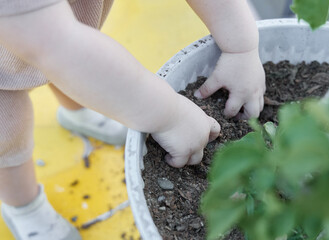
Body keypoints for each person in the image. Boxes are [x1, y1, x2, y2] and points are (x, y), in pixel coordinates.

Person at [0, 0, 265, 239]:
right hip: (23, 42)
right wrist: (168, 116)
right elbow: (51, 43)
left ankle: (78, 110)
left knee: (71, 60)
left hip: (55, 30)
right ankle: (23, 206)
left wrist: (240, 46)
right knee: (8, 131)